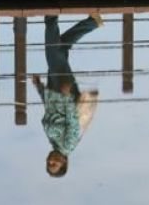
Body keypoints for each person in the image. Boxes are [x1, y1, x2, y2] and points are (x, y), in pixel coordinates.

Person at [33, 14, 103, 178]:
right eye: (54, 165)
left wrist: (39, 87)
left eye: (49, 164)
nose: (50, 161)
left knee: (61, 48)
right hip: (63, 91)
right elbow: (72, 120)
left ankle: (93, 22)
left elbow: (49, 109)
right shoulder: (68, 145)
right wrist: (65, 95)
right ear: (64, 162)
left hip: (52, 89)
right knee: (52, 51)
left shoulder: (54, 143)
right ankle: (51, 15)